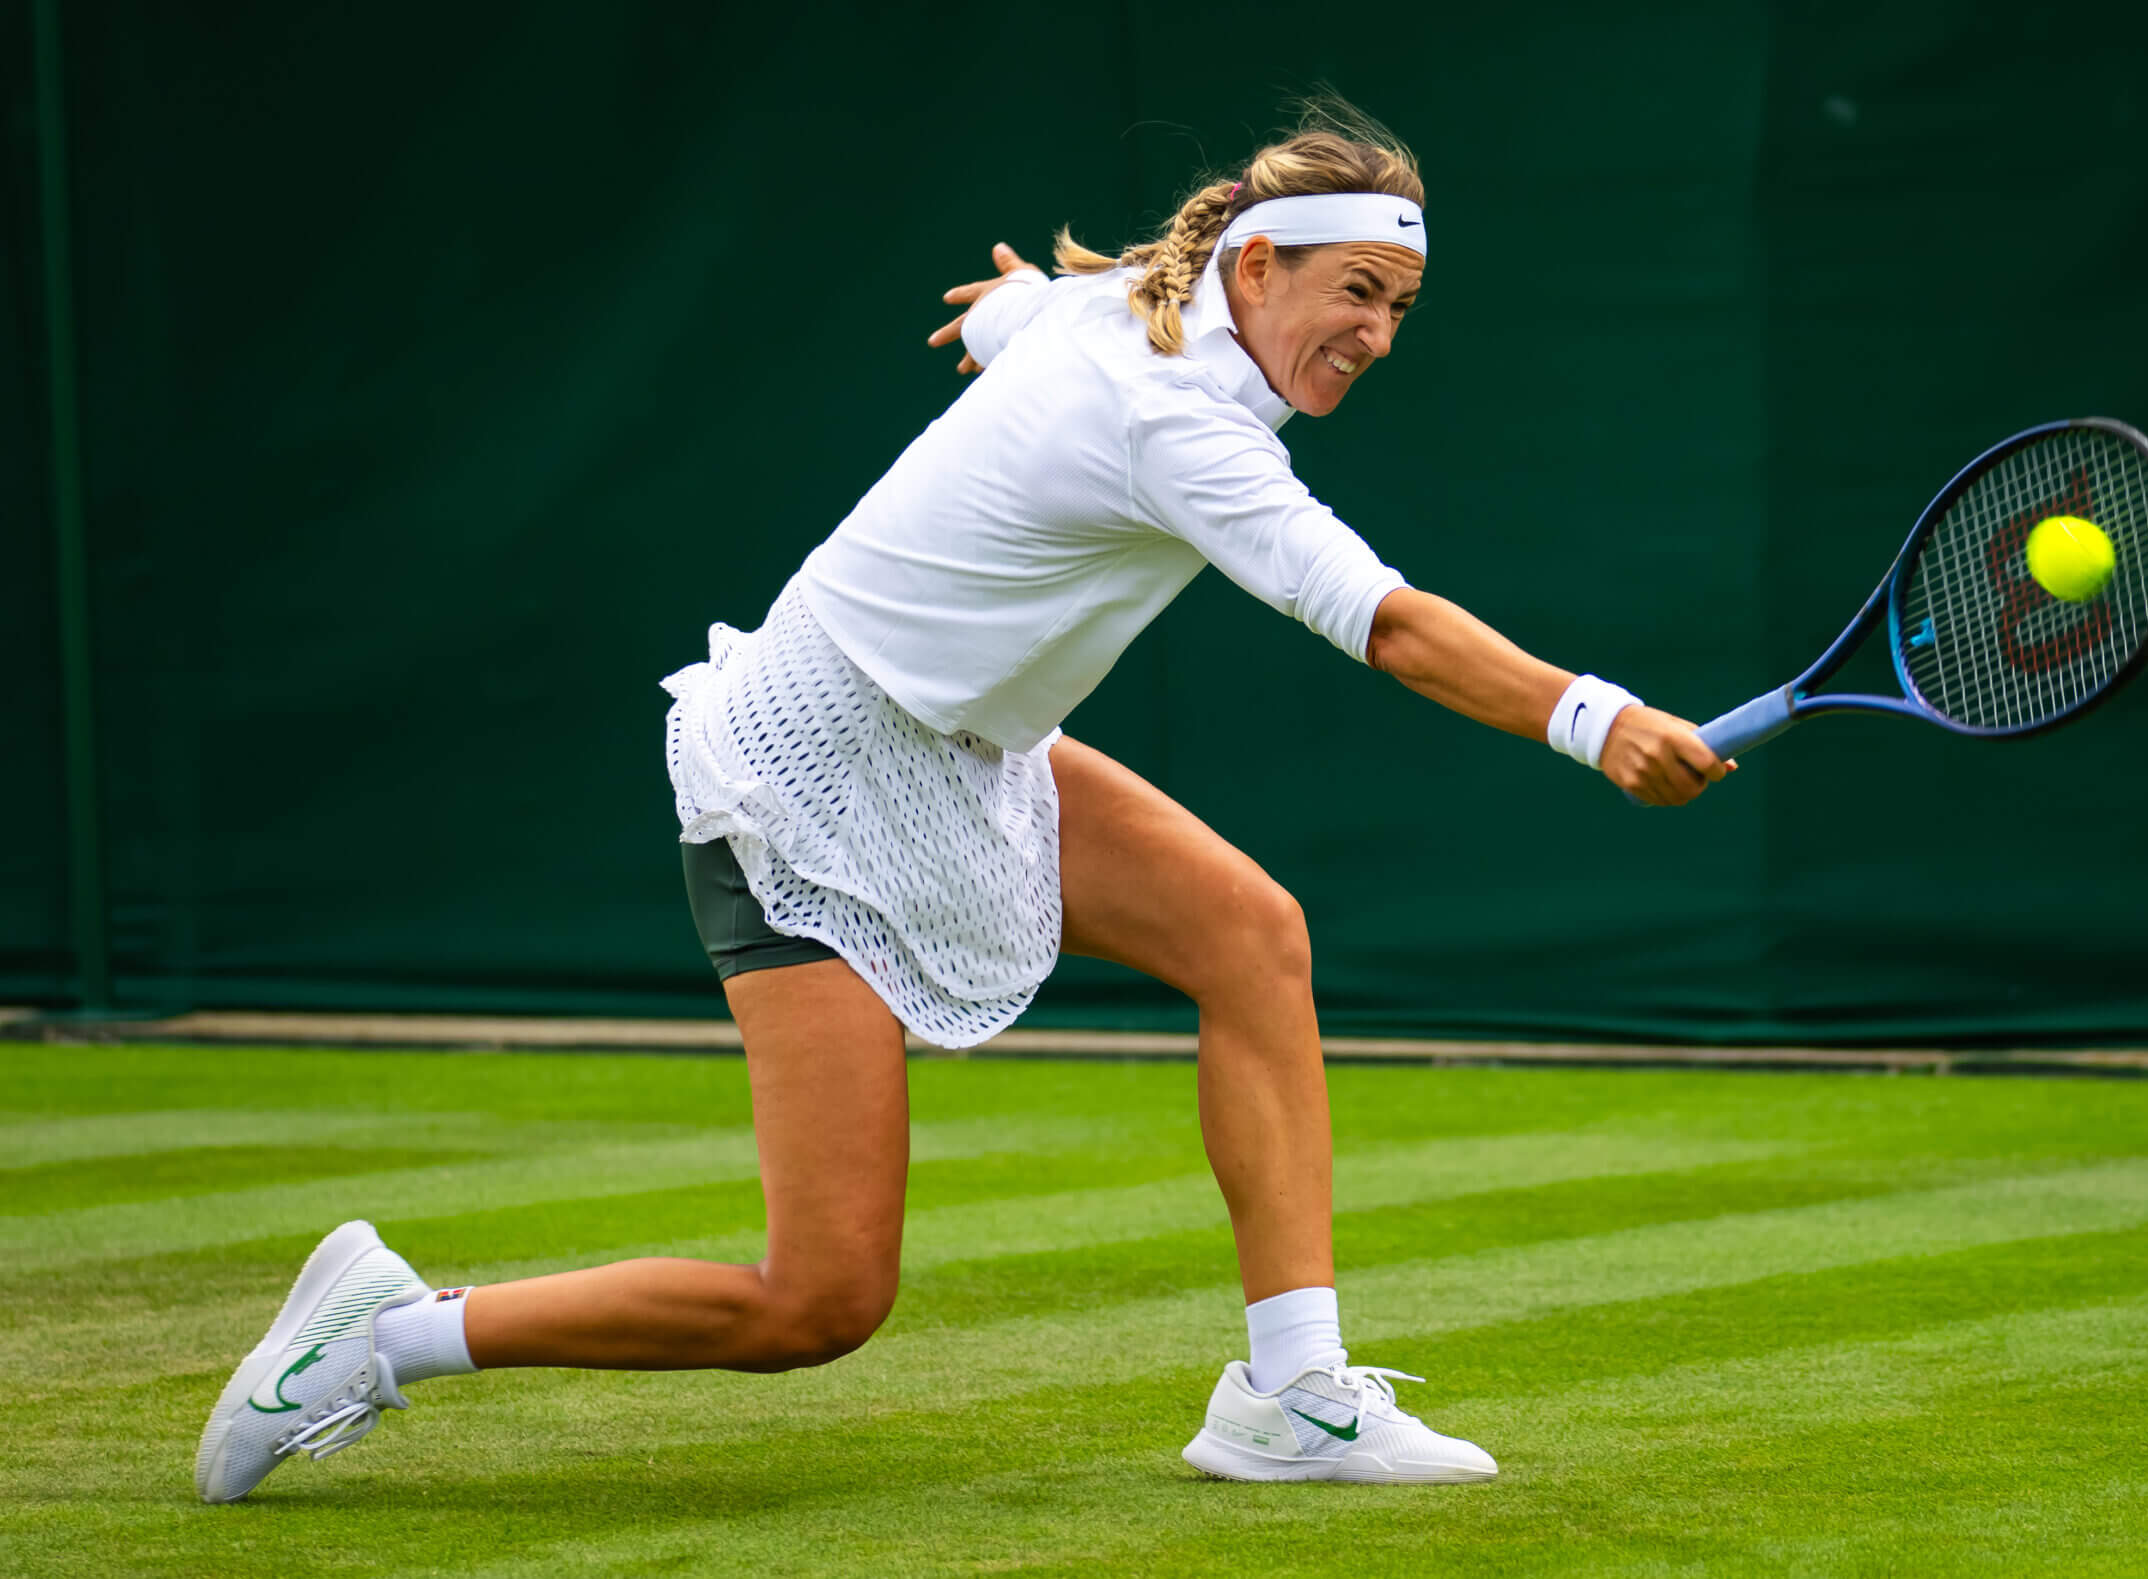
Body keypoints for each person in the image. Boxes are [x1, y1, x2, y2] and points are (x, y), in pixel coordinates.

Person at [193, 101, 1733, 1504]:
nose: (1378, 336)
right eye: (1355, 296)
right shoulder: (1175, 421)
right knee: (821, 1302)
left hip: (967, 748)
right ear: (1255, 269)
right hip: (809, 777)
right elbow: (1386, 621)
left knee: (1253, 936)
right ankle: (385, 1339)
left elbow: (1038, 321)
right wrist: (1593, 721)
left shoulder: (1123, 313)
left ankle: (1290, 1393)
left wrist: (1010, 311)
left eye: (1398, 308)